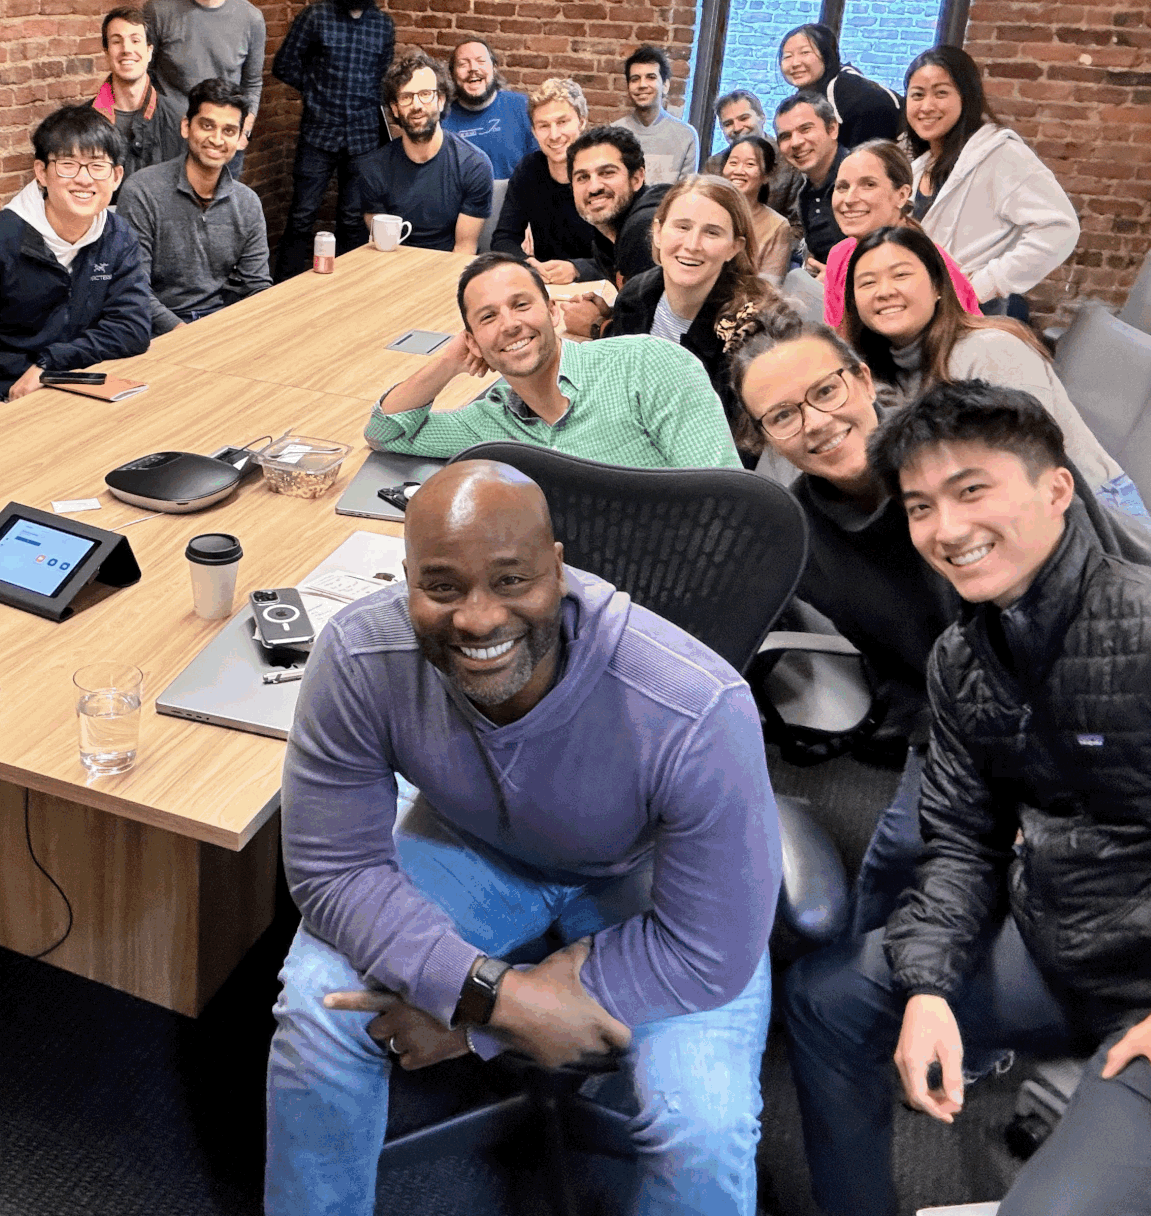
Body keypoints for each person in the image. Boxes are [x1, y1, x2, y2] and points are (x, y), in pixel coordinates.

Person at [783, 380, 1151, 1216]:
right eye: (920, 507)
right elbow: (963, 840)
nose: (948, 529)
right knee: (829, 1002)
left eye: (973, 490)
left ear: (1056, 488)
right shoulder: (967, 660)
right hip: (1080, 942)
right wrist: (932, 985)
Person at [266, 459, 781, 1216]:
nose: (477, 618)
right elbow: (333, 869)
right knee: (319, 1004)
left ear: (558, 573)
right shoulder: (360, 655)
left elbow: (710, 947)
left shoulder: (693, 706)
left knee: (702, 1130)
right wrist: (484, 993)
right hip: (479, 846)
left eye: (511, 581)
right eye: (442, 586)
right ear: (407, 579)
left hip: (648, 881)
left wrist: (482, 1024)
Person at [726, 309, 1151, 938]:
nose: (816, 424)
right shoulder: (803, 531)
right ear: (763, 436)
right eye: (783, 415)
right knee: (891, 890)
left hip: (1099, 699)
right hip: (957, 720)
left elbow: (1102, 621)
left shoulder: (973, 450)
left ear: (863, 379)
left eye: (826, 391)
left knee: (980, 889)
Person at [840, 224, 1145, 520]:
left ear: (937, 286)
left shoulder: (990, 351)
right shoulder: (879, 370)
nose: (884, 291)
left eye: (901, 275)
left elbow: (1034, 465)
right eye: (867, 283)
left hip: (1090, 508)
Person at [365, 251, 740, 470]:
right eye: (488, 317)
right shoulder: (489, 423)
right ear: (473, 342)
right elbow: (386, 433)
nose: (510, 325)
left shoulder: (646, 364)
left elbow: (727, 503)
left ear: (553, 312)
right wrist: (449, 361)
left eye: (521, 305)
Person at [0, 104, 152, 416]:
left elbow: (131, 328)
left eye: (97, 167)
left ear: (117, 176)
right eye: (68, 165)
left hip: (77, 387)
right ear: (41, 173)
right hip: (0, 396)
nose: (84, 179)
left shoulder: (118, 237)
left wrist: (50, 362)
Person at [905, 44, 1080, 312]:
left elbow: (1060, 228)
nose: (926, 106)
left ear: (967, 97)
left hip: (971, 315)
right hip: (924, 311)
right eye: (917, 95)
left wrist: (984, 285)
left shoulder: (1001, 154)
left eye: (941, 93)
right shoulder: (921, 166)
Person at [270, 0, 395, 276]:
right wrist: (316, 92)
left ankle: (348, 291)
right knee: (301, 215)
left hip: (364, 139)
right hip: (318, 135)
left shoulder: (383, 26)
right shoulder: (316, 16)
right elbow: (285, 64)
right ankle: (283, 289)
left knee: (354, 220)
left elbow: (380, 77)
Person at [115, 77, 271, 334]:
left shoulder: (247, 203)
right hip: (153, 330)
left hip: (220, 326)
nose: (217, 139)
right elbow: (133, 287)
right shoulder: (142, 190)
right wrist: (185, 335)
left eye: (229, 131)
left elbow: (256, 287)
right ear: (186, 127)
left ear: (241, 139)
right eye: (207, 126)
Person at [594, 176, 769, 399]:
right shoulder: (634, 296)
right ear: (657, 232)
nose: (692, 245)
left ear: (735, 247)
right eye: (682, 227)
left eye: (712, 232)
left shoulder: (751, 329)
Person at [817, 140, 979, 327]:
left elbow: (969, 340)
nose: (849, 199)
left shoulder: (931, 261)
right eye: (842, 187)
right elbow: (839, 342)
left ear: (902, 195)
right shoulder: (839, 255)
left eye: (868, 184)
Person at [346, 51, 492, 253]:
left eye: (425, 94)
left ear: (440, 100)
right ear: (395, 109)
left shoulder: (473, 165)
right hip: (393, 268)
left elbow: (464, 249)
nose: (416, 106)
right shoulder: (373, 168)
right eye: (406, 97)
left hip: (447, 270)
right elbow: (383, 247)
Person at [143, 0, 266, 149]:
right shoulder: (158, 11)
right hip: (170, 143)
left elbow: (252, 83)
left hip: (224, 145)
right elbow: (144, 74)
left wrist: (244, 131)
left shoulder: (251, 19)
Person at [487, 78, 601, 280]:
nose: (554, 135)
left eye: (562, 122)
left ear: (582, 122)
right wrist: (524, 262)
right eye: (544, 126)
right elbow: (504, 238)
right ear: (533, 131)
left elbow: (623, 254)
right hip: (545, 284)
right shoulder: (528, 170)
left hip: (599, 286)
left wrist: (577, 269)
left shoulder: (602, 173)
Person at [562, 124, 660, 289]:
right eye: (582, 177)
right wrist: (608, 311)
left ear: (636, 178)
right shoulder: (603, 239)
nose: (594, 188)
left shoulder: (646, 227)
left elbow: (649, 314)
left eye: (607, 173)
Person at [777, 23, 903, 149]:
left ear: (827, 55)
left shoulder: (854, 93)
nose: (795, 63)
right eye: (787, 56)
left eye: (805, 53)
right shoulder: (811, 95)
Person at [91, 4, 183, 177]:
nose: (126, 49)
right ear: (106, 53)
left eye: (135, 40)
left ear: (149, 51)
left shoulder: (178, 120)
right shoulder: (85, 122)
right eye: (117, 41)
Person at [438, 37, 535, 180]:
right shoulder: (442, 119)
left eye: (481, 61)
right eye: (463, 64)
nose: (473, 68)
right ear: (453, 74)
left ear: (494, 68)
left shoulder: (523, 107)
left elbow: (541, 166)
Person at [609, 45, 699, 186]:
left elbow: (684, 195)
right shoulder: (613, 134)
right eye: (635, 79)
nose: (642, 85)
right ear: (628, 87)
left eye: (651, 77)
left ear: (665, 85)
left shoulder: (686, 136)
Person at [773, 91, 846, 264]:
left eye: (805, 129)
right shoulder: (806, 194)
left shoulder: (861, 179)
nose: (796, 142)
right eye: (785, 136)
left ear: (833, 129)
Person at [712, 135, 797, 282]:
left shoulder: (777, 226)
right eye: (733, 163)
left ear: (767, 176)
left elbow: (769, 288)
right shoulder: (705, 210)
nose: (738, 170)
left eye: (750, 164)